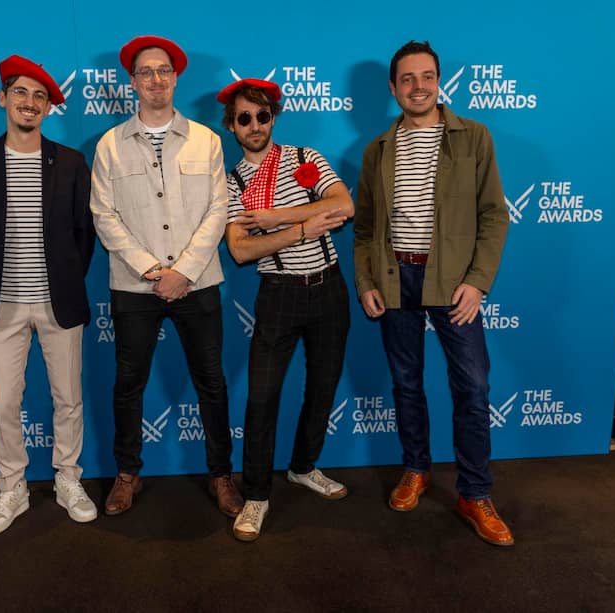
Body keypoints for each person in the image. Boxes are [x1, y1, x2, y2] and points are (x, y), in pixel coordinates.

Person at [353, 41, 513, 546]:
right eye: (407, 79)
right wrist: (367, 280)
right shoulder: (378, 149)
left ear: (439, 81)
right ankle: (416, 469)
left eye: (426, 77)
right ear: (393, 87)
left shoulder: (473, 137)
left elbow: (494, 215)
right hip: (397, 278)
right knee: (406, 383)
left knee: (473, 388)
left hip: (454, 284)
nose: (417, 86)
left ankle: (474, 492)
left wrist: (477, 281)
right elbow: (363, 230)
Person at [89, 36, 243, 518]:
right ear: (132, 82)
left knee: (212, 383)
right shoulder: (110, 145)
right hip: (135, 287)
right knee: (128, 383)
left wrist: (184, 272)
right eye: (145, 72)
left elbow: (219, 210)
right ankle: (127, 474)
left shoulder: (208, 141)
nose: (155, 79)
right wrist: (155, 271)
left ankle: (221, 475)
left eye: (163, 70)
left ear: (175, 78)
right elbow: (103, 214)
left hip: (198, 283)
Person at [0, 54, 97, 535]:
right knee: (2, 402)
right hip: (3, 304)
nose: (30, 102)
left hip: (61, 301)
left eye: (40, 96)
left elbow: (84, 235)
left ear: (49, 107)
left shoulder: (72, 162)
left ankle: (67, 479)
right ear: (3, 99)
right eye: (20, 92)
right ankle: (11, 488)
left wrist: (63, 277)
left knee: (69, 398)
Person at [220, 79, 354, 541]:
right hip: (278, 293)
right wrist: (305, 226)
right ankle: (256, 494)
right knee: (261, 398)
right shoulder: (231, 182)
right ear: (232, 126)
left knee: (323, 386)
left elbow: (343, 205)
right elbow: (240, 249)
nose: (254, 125)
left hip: (330, 288)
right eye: (244, 118)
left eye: (261, 115)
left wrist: (276, 218)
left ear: (273, 117)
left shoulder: (305, 158)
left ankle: (302, 467)